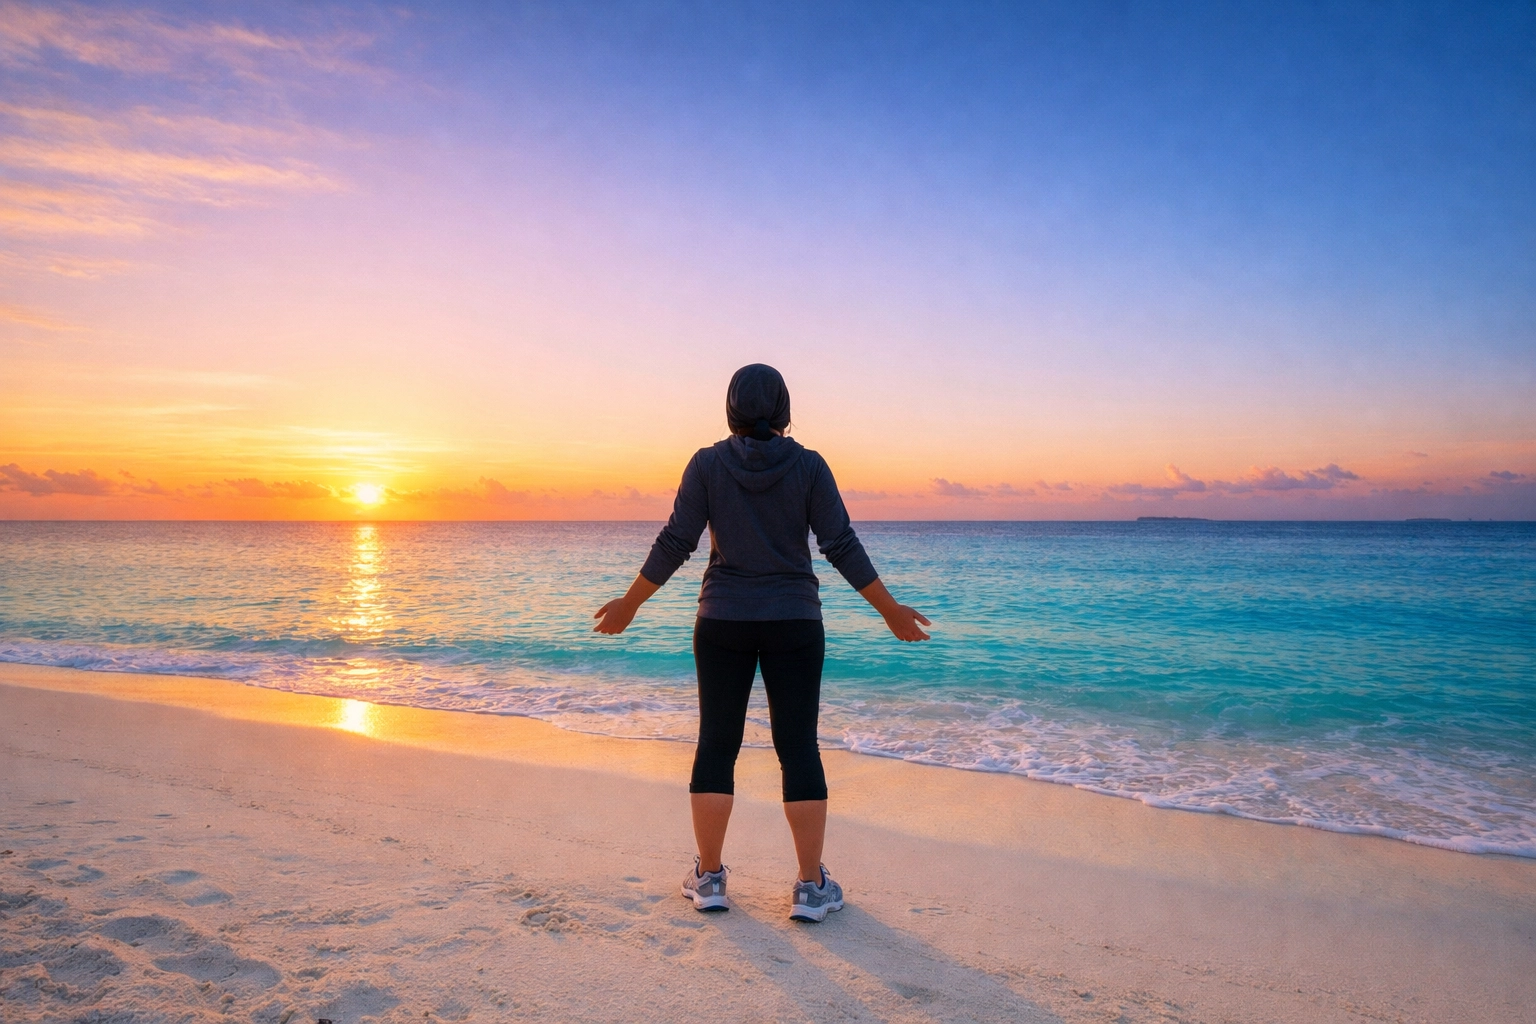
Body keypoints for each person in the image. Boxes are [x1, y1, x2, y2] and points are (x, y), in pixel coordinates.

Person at [593, 363, 931, 922]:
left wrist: (632, 602)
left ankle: (709, 878)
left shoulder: (707, 464)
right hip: (794, 621)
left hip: (721, 620)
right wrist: (888, 609)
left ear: (730, 408)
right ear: (784, 409)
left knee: (716, 745)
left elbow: (677, 541)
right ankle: (810, 887)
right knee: (798, 748)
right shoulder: (809, 466)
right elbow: (840, 544)